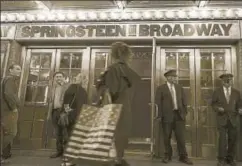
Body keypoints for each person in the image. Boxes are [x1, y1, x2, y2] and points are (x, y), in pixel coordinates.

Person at [95, 42, 140, 166]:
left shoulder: (112, 69)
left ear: (114, 54)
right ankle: (119, 158)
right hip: (126, 109)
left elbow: (111, 90)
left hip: (112, 110)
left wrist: (100, 84)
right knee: (121, 137)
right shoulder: (131, 72)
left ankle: (113, 159)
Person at [155, 70, 193, 165]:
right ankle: (167, 156)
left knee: (181, 137)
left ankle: (183, 157)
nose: (174, 78)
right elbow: (158, 103)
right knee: (166, 137)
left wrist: (184, 113)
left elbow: (184, 101)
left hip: (179, 116)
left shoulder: (179, 87)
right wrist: (159, 115)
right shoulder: (161, 88)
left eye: (175, 76)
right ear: (167, 77)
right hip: (167, 116)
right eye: (172, 76)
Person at [211, 73, 242, 166]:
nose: (227, 83)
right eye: (225, 81)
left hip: (234, 119)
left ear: (231, 81)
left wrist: (240, 109)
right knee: (222, 140)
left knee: (233, 139)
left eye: (229, 81)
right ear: (222, 82)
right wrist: (217, 108)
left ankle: (230, 159)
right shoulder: (217, 92)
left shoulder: (237, 92)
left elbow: (240, 104)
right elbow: (213, 104)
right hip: (222, 118)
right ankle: (221, 160)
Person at [60, 73, 88, 166]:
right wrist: (69, 112)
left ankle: (68, 160)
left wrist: (68, 112)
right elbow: (66, 103)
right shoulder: (78, 89)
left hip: (74, 116)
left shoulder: (73, 89)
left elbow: (66, 103)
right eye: (83, 78)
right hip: (76, 117)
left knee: (71, 137)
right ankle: (68, 160)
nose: (84, 80)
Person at [1, 64, 21, 164]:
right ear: (10, 70)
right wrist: (14, 107)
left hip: (5, 111)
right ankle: (3, 154)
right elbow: (8, 93)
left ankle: (4, 154)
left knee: (6, 133)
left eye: (20, 69)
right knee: (11, 132)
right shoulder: (10, 79)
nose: (19, 71)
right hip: (8, 111)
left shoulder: (7, 79)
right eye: (17, 69)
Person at [48, 71, 70, 158]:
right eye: (56, 77)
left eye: (60, 76)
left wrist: (67, 112)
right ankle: (59, 151)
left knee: (66, 133)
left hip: (63, 112)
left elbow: (70, 100)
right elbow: (50, 101)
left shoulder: (67, 87)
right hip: (54, 111)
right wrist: (49, 113)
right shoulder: (53, 88)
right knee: (57, 133)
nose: (58, 78)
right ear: (54, 78)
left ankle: (67, 153)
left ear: (64, 78)